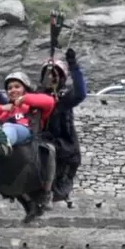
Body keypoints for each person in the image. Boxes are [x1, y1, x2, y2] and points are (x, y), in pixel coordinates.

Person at [37, 47, 86, 203]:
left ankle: (50, 190)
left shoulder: (64, 101)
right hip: (40, 142)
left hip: (64, 148)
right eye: (48, 74)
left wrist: (73, 64)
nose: (51, 77)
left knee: (48, 151)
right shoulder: (36, 98)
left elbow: (80, 93)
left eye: (54, 74)